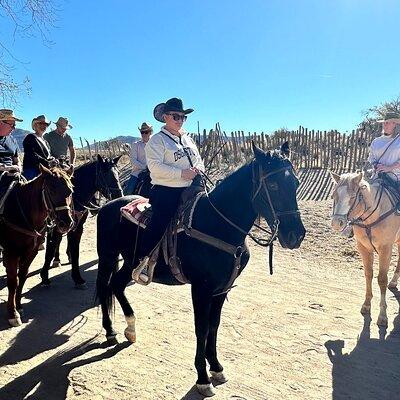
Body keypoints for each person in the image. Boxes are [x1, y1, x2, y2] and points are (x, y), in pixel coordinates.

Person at [133, 97, 205, 281]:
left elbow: (198, 161)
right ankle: (143, 259)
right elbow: (155, 167)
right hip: (167, 190)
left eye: (183, 117)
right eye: (176, 116)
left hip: (193, 188)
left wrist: (199, 172)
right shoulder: (157, 141)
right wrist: (182, 174)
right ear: (165, 117)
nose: (180, 120)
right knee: (161, 220)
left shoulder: (188, 139)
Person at [0, 109, 23, 204]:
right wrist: (8, 168)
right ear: (1, 122)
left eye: (15, 126)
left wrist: (18, 168)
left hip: (12, 175)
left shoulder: (12, 140)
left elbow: (17, 160)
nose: (13, 128)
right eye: (12, 125)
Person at [368, 111, 400, 179]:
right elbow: (371, 158)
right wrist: (375, 165)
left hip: (395, 179)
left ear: (395, 124)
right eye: (384, 123)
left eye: (387, 123)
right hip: (376, 178)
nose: (384, 125)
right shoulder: (376, 141)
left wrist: (389, 168)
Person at [22, 115, 55, 180]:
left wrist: (53, 160)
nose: (43, 126)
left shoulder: (45, 142)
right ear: (35, 125)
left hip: (44, 170)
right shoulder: (30, 137)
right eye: (41, 123)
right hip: (32, 171)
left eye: (45, 124)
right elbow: (31, 154)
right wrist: (47, 163)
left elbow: (47, 156)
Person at [125, 122, 153, 195]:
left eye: (146, 132)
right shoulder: (136, 145)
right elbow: (133, 160)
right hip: (138, 173)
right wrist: (145, 167)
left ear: (150, 132)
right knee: (129, 192)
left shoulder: (155, 145)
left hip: (154, 172)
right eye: (142, 132)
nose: (143, 134)